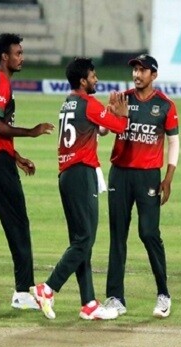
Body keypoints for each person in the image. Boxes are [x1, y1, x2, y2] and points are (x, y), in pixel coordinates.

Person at [32, 57, 129, 320]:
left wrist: (106, 115)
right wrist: (121, 115)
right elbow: (119, 127)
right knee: (85, 239)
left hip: (67, 174)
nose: (96, 79)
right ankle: (48, 288)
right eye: (93, 75)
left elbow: (97, 130)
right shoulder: (88, 103)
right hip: (81, 173)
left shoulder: (69, 102)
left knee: (80, 240)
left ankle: (89, 304)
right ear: (83, 80)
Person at [0, 33, 54, 310]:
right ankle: (22, 292)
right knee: (18, 225)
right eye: (18, 53)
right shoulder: (3, 84)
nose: (22, 57)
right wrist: (31, 132)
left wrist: (15, 155)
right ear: (4, 57)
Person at [102, 54, 179, 318]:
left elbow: (173, 142)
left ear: (154, 75)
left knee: (149, 233)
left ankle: (163, 294)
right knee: (117, 235)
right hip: (120, 174)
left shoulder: (165, 105)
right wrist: (111, 115)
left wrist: (168, 177)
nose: (137, 74)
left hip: (148, 176)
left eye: (142, 70)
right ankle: (115, 298)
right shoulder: (121, 98)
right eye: (135, 69)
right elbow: (103, 131)